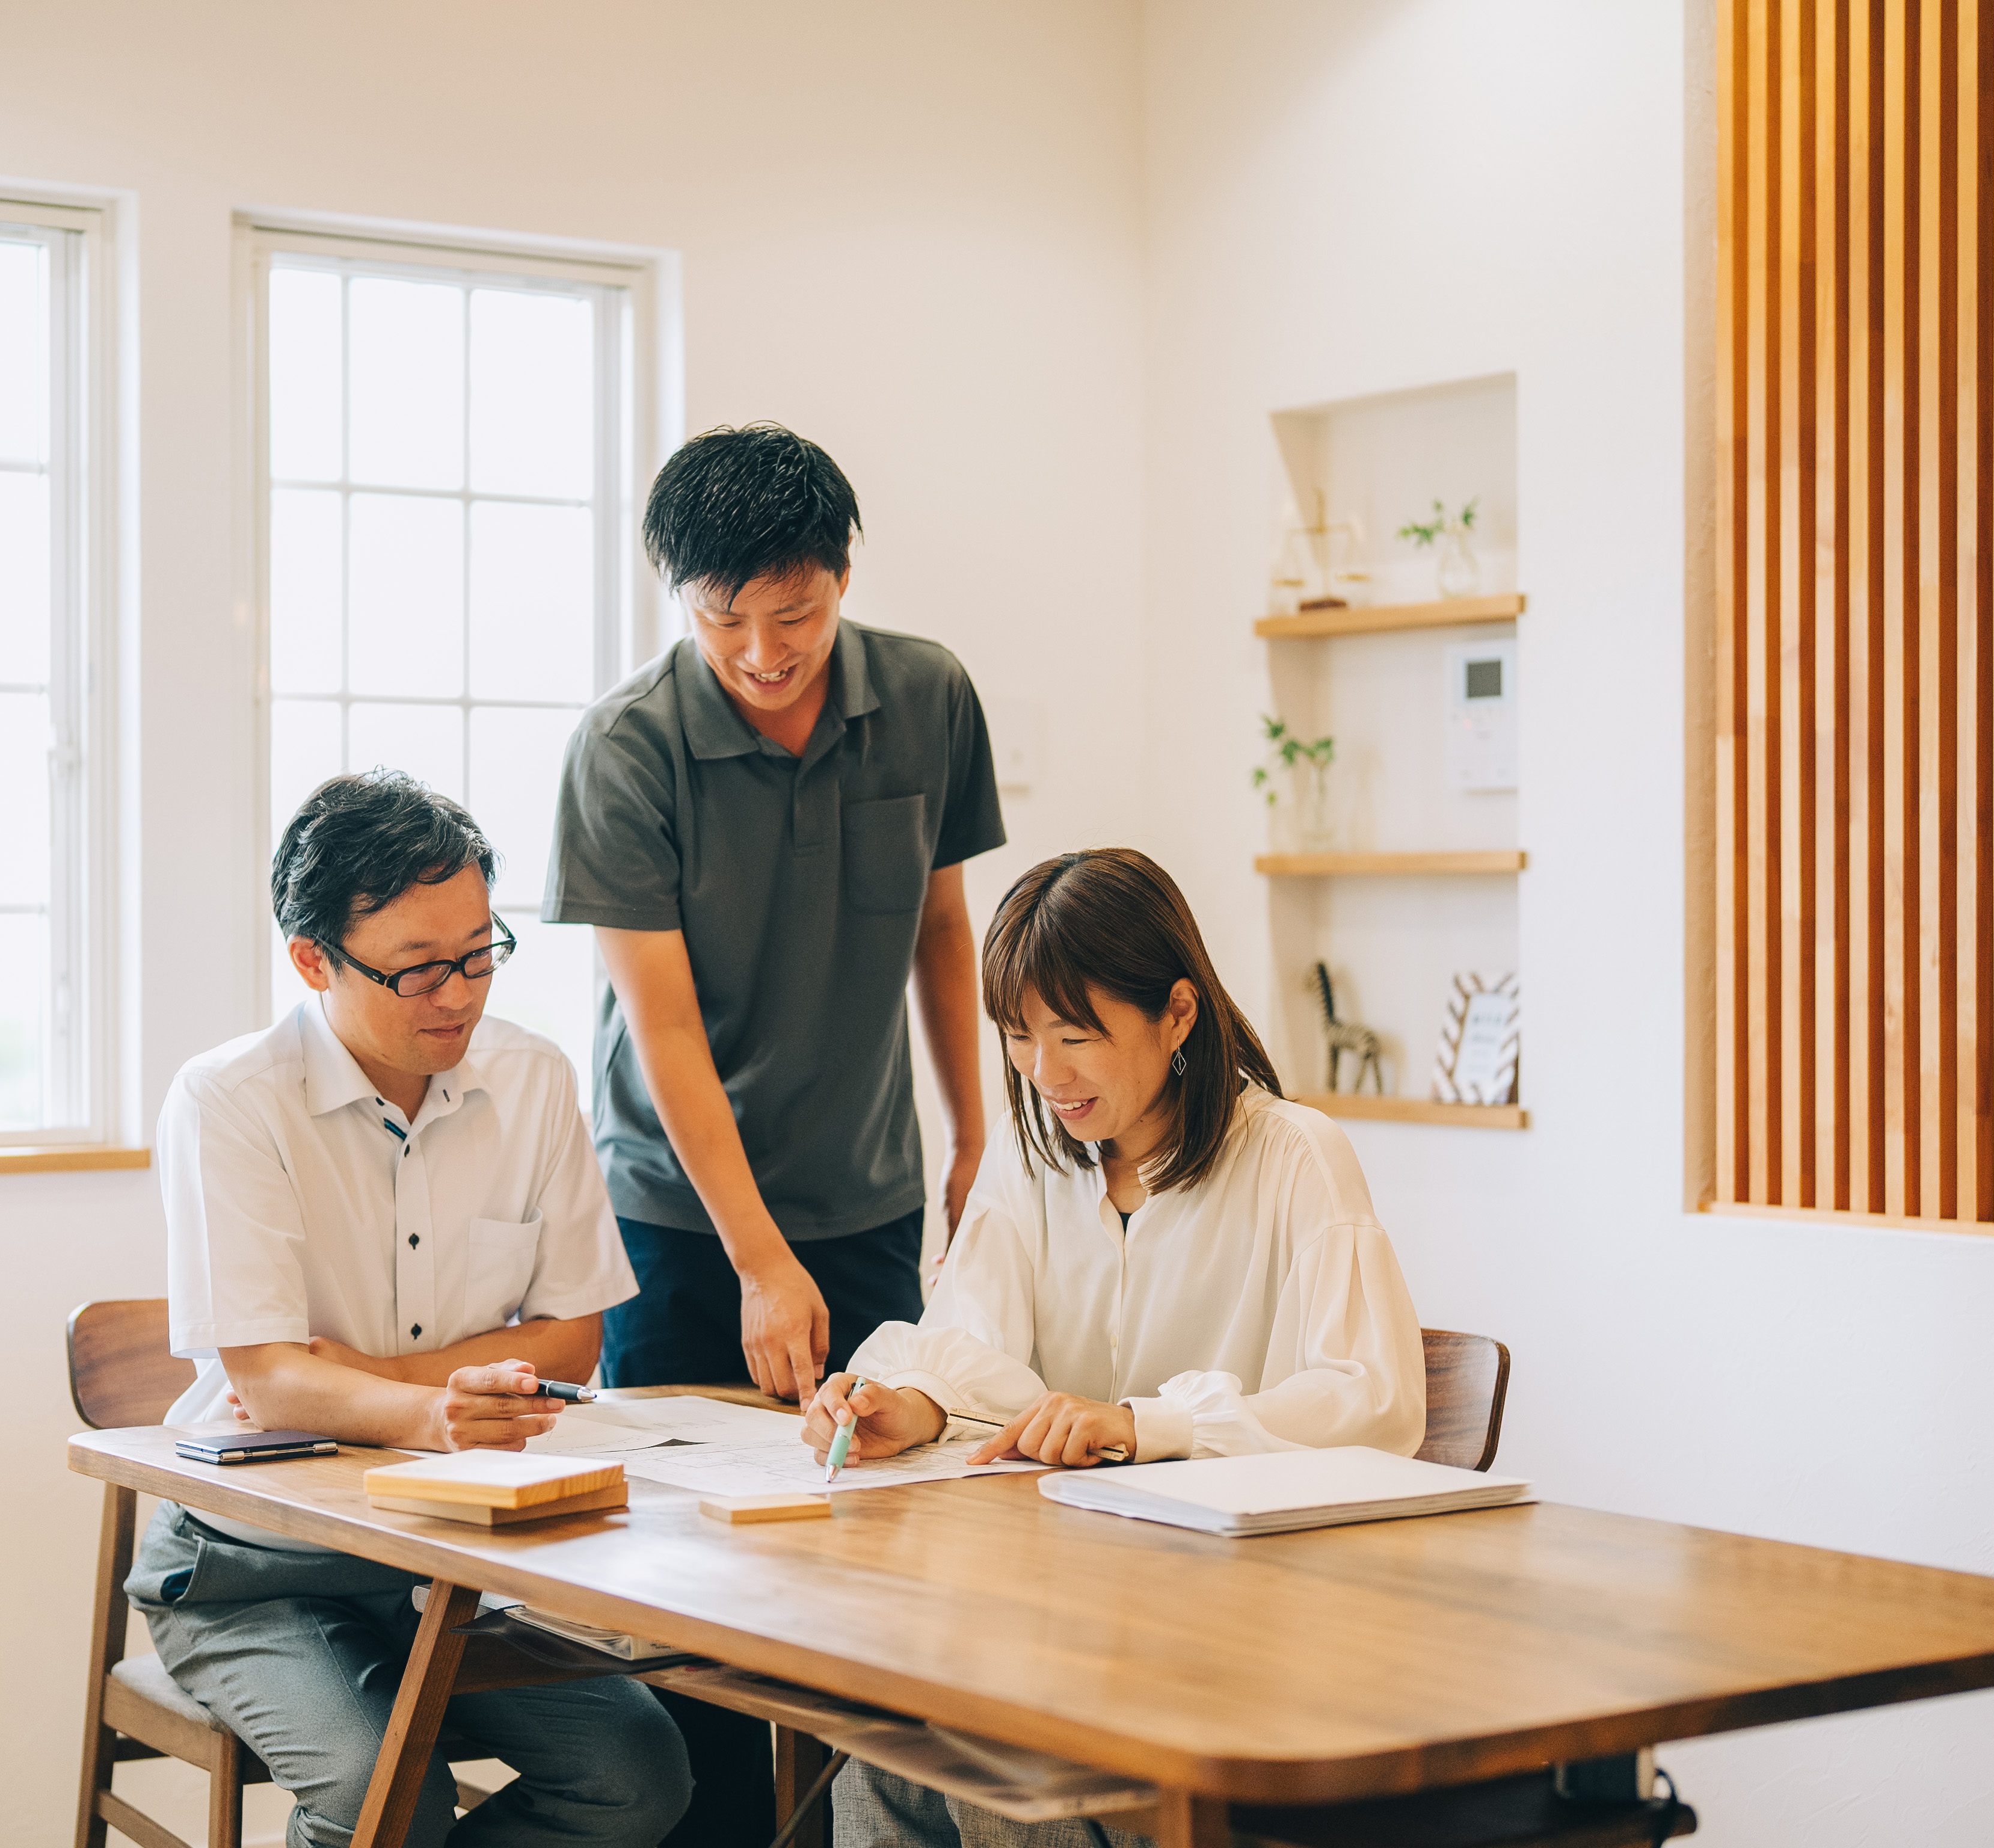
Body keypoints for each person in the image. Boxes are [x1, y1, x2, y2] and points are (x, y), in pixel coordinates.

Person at [543, 422, 1005, 1843]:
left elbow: (940, 924)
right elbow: (664, 1032)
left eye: (791, 615)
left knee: (882, 1559)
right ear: (679, 597)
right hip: (681, 1228)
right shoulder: (626, 749)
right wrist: (754, 1256)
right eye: (721, 617)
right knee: (695, 1588)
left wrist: (975, 1131)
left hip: (865, 1202)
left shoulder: (927, 696)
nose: (759, 649)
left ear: (841, 576)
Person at [805, 847, 1426, 1848]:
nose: (1044, 1074)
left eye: (1075, 1036)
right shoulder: (1032, 1155)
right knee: (881, 1747)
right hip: (1060, 1623)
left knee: (988, 1760)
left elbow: (1374, 1405)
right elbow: (973, 1339)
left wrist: (1149, 1427)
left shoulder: (1295, 1156)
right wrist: (905, 1405)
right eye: (1019, 1038)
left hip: (1234, 1646)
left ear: (1178, 1013)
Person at [129, 771, 690, 1848]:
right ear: (312, 962)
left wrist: (360, 1381)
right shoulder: (231, 1099)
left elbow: (573, 1341)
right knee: (381, 1791)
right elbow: (269, 1380)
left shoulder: (530, 1079)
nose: (461, 994)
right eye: (419, 969)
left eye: (481, 952)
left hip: (457, 1560)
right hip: (256, 1572)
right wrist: (435, 1410)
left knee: (637, 1776)